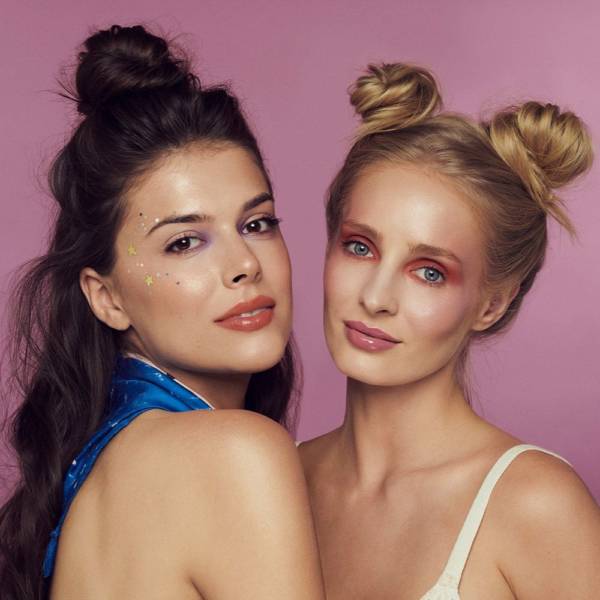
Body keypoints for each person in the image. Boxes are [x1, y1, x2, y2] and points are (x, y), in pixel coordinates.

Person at [0, 25, 325, 600]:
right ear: (107, 297)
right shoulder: (232, 454)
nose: (245, 264)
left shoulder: (108, 469)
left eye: (257, 224)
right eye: (184, 242)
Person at [299, 63, 600, 599]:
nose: (375, 297)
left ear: (491, 304)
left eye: (430, 272)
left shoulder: (535, 504)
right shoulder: (278, 480)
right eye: (360, 247)